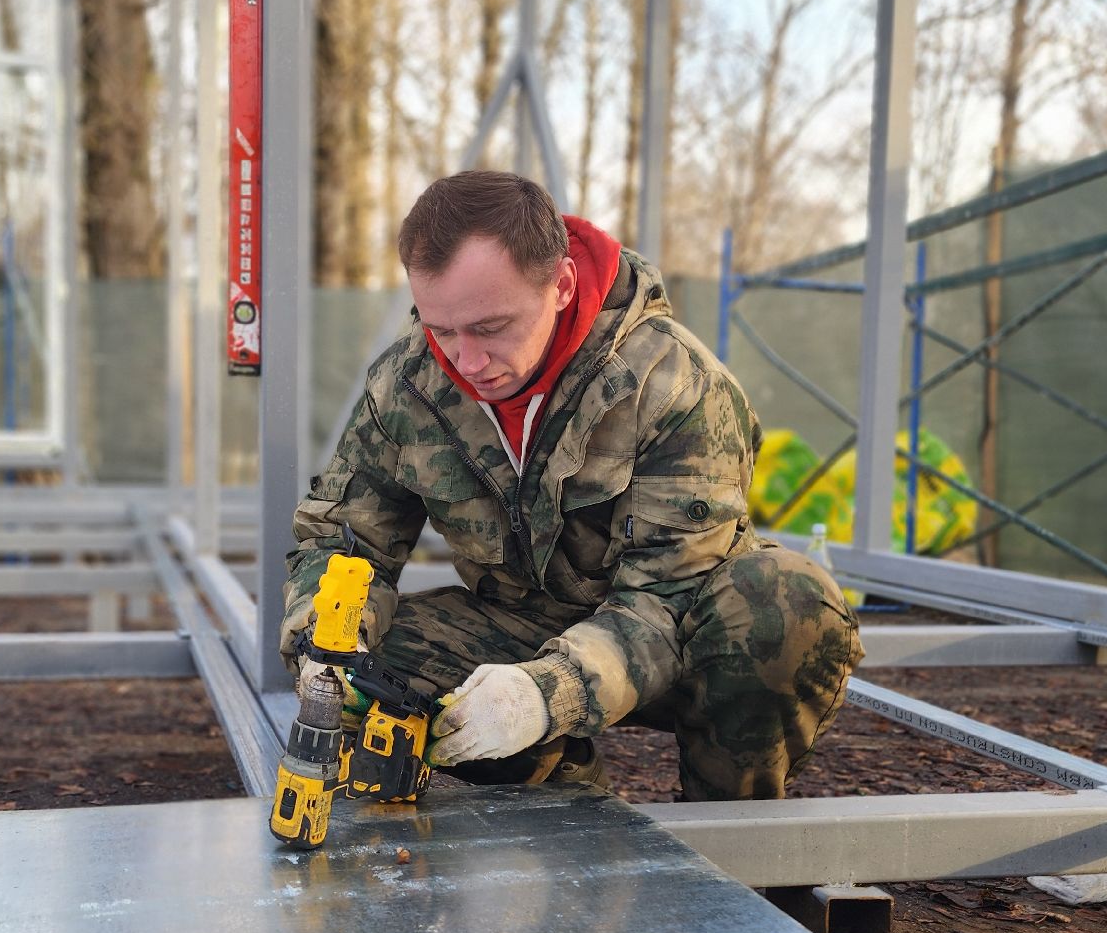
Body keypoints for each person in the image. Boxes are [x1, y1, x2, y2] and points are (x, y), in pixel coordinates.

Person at [279, 170, 863, 800]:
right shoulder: (409, 384)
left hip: (683, 644)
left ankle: (728, 835)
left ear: (559, 285)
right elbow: (344, 535)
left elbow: (671, 594)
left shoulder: (672, 384)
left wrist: (545, 695)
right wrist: (326, 638)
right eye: (440, 329)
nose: (465, 361)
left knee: (786, 603)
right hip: (522, 627)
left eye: (490, 327)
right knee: (373, 666)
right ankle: (565, 801)